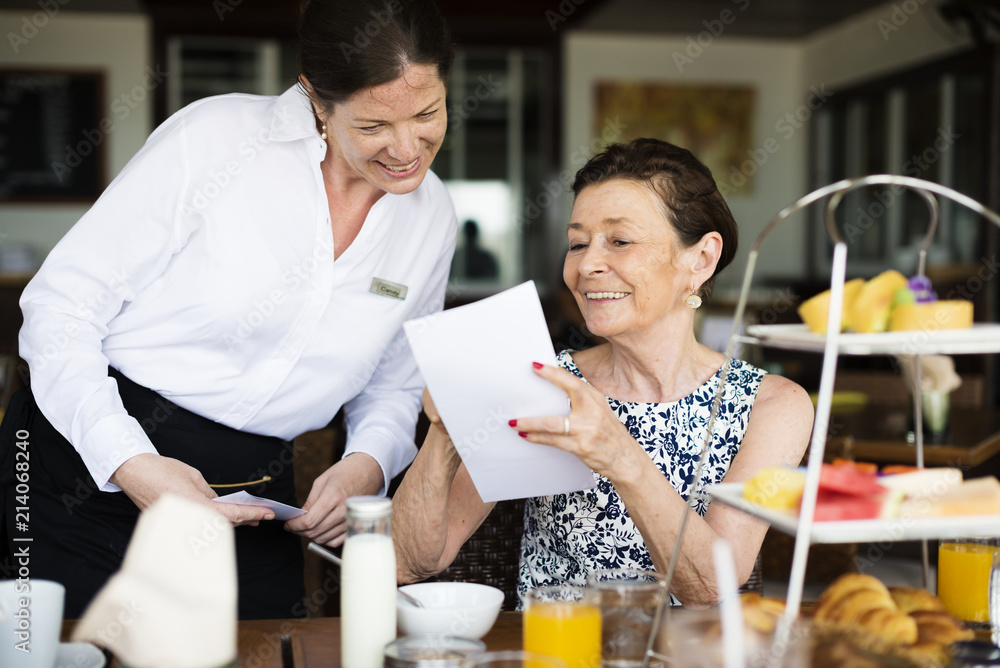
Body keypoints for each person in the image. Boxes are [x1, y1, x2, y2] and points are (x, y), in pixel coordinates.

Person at [1, 0, 457, 619]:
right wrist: (129, 462)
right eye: (375, 125)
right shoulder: (215, 140)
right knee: (74, 652)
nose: (408, 148)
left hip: (257, 491)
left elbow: (397, 385)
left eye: (428, 113)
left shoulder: (432, 218)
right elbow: (60, 310)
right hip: (91, 458)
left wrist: (367, 462)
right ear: (316, 101)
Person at [393, 138, 814, 607]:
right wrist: (444, 435)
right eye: (577, 243)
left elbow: (711, 588)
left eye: (620, 240)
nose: (587, 265)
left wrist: (619, 455)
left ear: (701, 259)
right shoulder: (539, 382)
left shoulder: (772, 405)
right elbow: (411, 561)